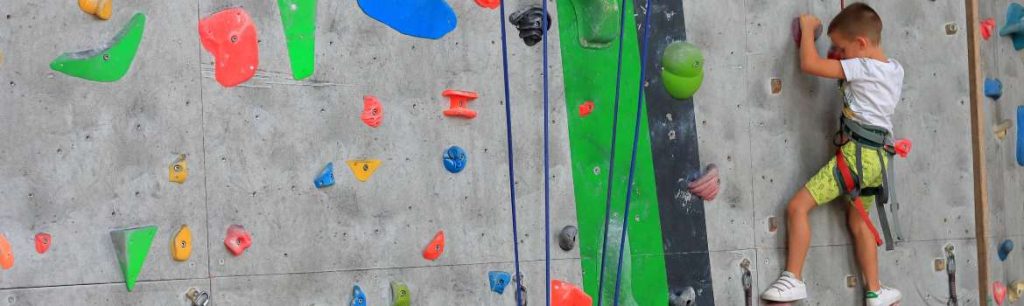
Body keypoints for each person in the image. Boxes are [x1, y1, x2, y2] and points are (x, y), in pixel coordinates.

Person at [760, 3, 904, 305]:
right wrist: (842, 52)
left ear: (861, 44)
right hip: (878, 160)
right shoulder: (894, 70)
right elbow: (852, 79)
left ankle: (793, 279)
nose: (838, 52)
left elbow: (810, 65)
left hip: (857, 158)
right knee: (859, 222)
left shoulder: (862, 66)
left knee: (797, 207)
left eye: (841, 47)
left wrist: (810, 30)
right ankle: (875, 290)